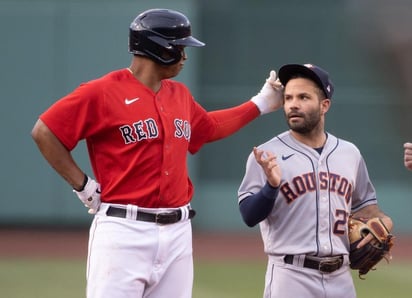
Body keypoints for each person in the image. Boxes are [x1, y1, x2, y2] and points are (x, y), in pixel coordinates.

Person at [31, 8, 283, 298]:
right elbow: (45, 131)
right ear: (159, 48)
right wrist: (83, 185)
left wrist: (262, 102)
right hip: (123, 230)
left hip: (177, 231)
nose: (185, 56)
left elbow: (209, 127)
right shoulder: (101, 92)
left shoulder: (179, 94)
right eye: (180, 48)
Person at [237, 63, 393, 298]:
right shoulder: (266, 154)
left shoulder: (349, 153)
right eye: (288, 98)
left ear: (324, 105)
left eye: (303, 97)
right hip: (291, 276)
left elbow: (369, 209)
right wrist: (271, 186)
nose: (293, 105)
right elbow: (249, 215)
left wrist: (385, 224)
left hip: (340, 278)